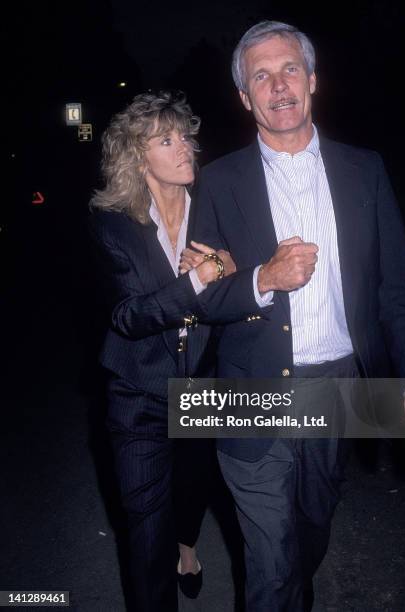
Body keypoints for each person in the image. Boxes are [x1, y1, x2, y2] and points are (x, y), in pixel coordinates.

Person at [181, 20, 405, 612]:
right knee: (269, 556)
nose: (278, 85)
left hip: (337, 385)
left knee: (311, 529)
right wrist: (261, 278)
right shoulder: (217, 182)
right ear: (245, 97)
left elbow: (400, 287)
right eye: (261, 76)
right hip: (248, 387)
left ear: (313, 80)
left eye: (290, 69)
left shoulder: (366, 170)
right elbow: (203, 300)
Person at [88, 91, 247, 611]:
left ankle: (187, 545)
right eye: (166, 139)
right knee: (145, 530)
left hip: (204, 383)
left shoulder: (216, 209)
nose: (185, 148)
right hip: (138, 392)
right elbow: (128, 316)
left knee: (195, 485)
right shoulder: (113, 224)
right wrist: (200, 278)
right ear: (138, 157)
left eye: (186, 136)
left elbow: (244, 291)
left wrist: (228, 269)